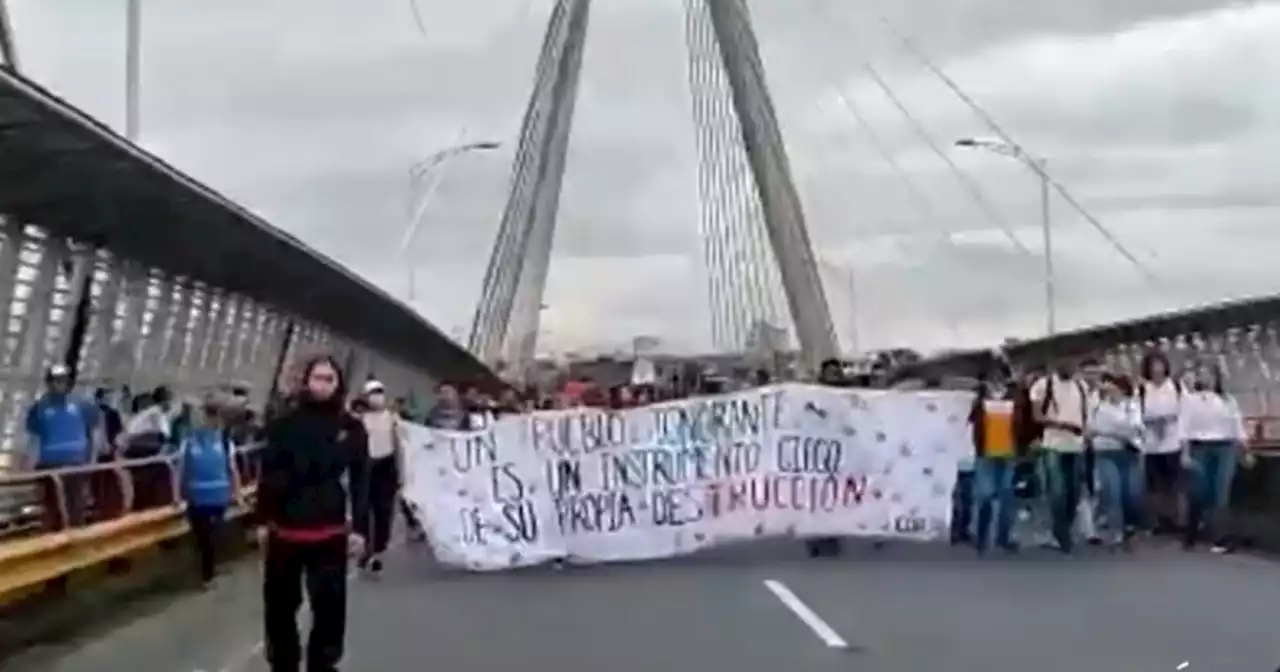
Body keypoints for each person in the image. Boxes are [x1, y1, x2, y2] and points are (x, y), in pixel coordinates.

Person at [256, 355, 369, 672]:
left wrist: (360, 528)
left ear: (339, 385)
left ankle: (323, 663)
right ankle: (283, 663)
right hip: (285, 529)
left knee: (330, 606)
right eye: (317, 377)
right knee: (279, 607)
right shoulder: (284, 424)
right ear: (306, 381)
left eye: (329, 379)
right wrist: (263, 521)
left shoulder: (351, 428)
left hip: (330, 531)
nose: (322, 384)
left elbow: (361, 480)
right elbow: (269, 473)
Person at [1178, 364, 1247, 552]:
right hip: (1200, 446)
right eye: (1202, 374)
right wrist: (1185, 453)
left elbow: (1236, 423)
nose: (1206, 378)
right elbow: (1184, 426)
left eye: (1209, 374)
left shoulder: (1227, 400)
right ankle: (1192, 529)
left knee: (1221, 491)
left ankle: (1221, 537)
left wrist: (1243, 445)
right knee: (1201, 490)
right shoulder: (1191, 400)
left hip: (1225, 446)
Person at [25, 364, 100, 529]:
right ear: (48, 383)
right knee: (52, 507)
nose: (58, 384)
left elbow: (94, 433)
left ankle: (74, 539)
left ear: (68, 383)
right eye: (55, 381)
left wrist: (92, 461)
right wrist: (31, 466)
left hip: (76, 464)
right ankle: (52, 539)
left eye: (62, 381)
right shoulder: (39, 408)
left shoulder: (82, 405)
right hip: (49, 465)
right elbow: (34, 439)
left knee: (75, 506)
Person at [180, 395, 241, 588]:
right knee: (202, 537)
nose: (211, 420)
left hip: (217, 498)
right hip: (196, 498)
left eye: (214, 416)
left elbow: (233, 469)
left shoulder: (224, 442)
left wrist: (236, 493)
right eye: (208, 415)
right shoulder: (189, 441)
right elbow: (180, 469)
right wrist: (177, 495)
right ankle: (206, 570)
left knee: (211, 537)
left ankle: (207, 574)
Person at [1029, 359, 1089, 553]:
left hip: (1076, 445)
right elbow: (1037, 416)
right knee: (1056, 490)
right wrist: (1062, 425)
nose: (1072, 368)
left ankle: (1065, 525)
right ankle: (1061, 532)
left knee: (1074, 491)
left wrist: (1084, 436)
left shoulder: (1081, 386)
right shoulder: (1043, 386)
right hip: (1053, 444)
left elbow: (1085, 415)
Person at [1086, 373, 1145, 548]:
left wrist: (1107, 430)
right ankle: (1113, 530)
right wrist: (1114, 430)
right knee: (1112, 491)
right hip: (1105, 452)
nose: (1110, 390)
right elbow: (1091, 429)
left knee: (1130, 493)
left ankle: (1129, 526)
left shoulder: (1131, 405)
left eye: (1114, 387)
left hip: (1127, 452)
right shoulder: (1097, 406)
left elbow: (1134, 428)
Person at [355, 379, 403, 576]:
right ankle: (365, 549)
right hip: (365, 466)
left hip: (386, 465)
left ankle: (379, 550)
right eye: (373, 392)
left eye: (380, 392)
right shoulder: (358, 419)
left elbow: (401, 444)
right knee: (363, 510)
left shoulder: (392, 418)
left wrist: (401, 470)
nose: (377, 396)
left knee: (384, 511)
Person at [968, 374, 1020, 554]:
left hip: (1008, 453)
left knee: (1007, 496)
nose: (996, 386)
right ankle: (981, 536)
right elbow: (970, 421)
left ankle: (1003, 537)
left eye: (1000, 381)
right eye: (993, 382)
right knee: (984, 495)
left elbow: (1023, 424)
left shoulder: (1016, 398)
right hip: (986, 454)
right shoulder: (980, 402)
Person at [1137, 350, 1183, 535]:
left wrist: (1168, 419)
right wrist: (1151, 421)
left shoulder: (1175, 386)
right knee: (1154, 486)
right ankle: (1159, 521)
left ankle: (1175, 519)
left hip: (1172, 441)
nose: (1157, 369)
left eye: (1160, 365)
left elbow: (1184, 409)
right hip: (1151, 443)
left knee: (1173, 484)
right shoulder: (1142, 389)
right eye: (1153, 365)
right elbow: (1136, 411)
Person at [806, 359, 845, 559]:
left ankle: (831, 535)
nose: (834, 377)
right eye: (831, 373)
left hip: (839, 453)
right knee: (816, 496)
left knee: (835, 496)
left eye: (837, 373)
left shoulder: (849, 396)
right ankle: (815, 537)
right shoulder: (812, 395)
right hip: (816, 453)